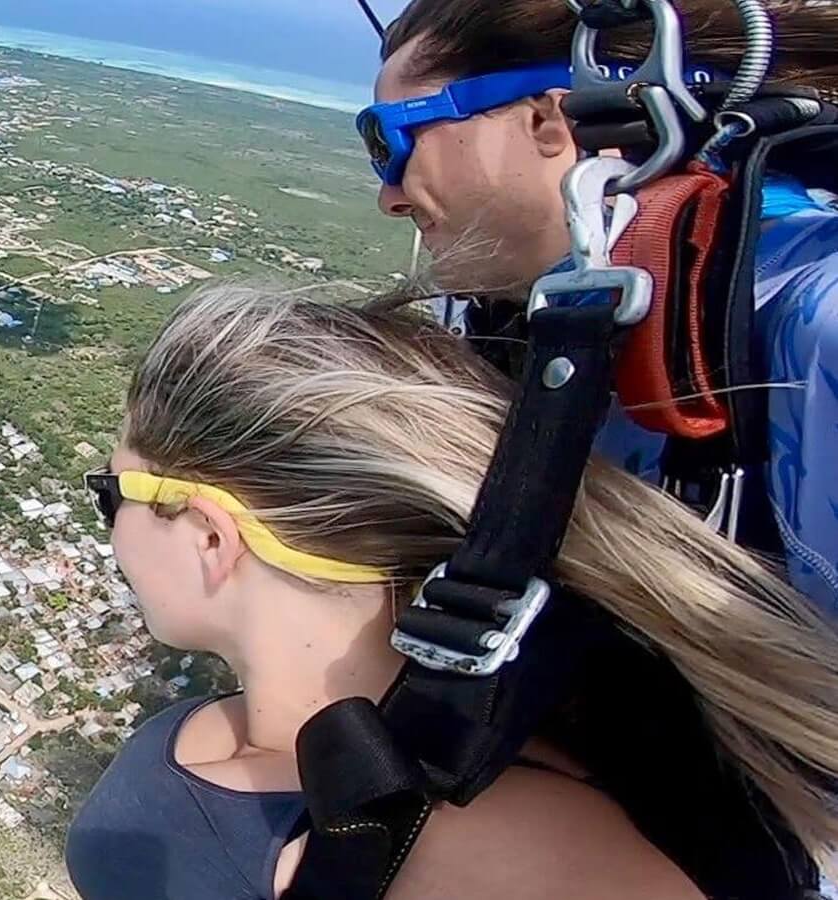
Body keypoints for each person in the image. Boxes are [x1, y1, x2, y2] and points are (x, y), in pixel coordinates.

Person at [64, 286, 838, 899]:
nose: (108, 523)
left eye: (111, 494)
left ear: (208, 535)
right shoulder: (394, 781)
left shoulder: (516, 863)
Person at [360, 0, 838, 613]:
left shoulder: (810, 319)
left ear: (547, 121)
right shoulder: (515, 320)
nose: (389, 196)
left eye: (389, 140)